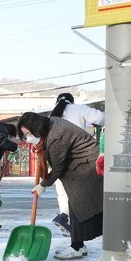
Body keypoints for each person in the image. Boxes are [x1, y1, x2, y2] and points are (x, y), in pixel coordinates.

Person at [17, 111, 103, 260]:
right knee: (76, 206)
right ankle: (78, 245)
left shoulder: (56, 136)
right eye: (25, 135)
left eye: (29, 133)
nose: (28, 137)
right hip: (78, 166)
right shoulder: (49, 126)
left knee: (82, 206)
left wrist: (43, 185)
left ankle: (77, 246)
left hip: (87, 166)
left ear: (37, 128)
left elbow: (58, 167)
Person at [48, 92, 105, 236]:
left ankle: (64, 216)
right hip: (77, 158)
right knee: (80, 194)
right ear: (71, 102)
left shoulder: (51, 115)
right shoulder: (79, 109)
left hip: (56, 158)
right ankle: (76, 225)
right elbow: (102, 118)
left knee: (62, 192)